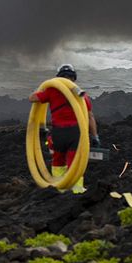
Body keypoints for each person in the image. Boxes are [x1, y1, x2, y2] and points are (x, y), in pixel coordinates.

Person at [29, 64, 98, 193]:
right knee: (76, 162)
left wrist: (39, 89)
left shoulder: (51, 92)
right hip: (75, 133)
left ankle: (59, 189)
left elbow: (32, 98)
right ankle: (76, 190)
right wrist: (95, 136)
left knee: (58, 161)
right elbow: (90, 117)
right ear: (74, 78)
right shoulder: (82, 96)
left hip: (58, 133)